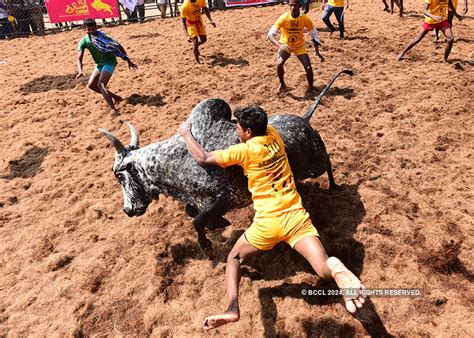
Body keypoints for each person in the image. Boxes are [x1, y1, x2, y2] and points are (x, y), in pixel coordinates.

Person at [178, 106, 366, 331]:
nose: (236, 130)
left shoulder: (244, 151)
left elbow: (203, 157)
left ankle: (232, 307)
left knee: (234, 258)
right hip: (296, 216)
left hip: (268, 223)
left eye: (237, 127)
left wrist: (185, 134)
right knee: (322, 269)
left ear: (248, 131)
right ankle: (335, 268)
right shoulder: (274, 135)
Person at [76, 19, 137, 115]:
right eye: (89, 29)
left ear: (96, 27)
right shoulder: (83, 41)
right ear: (85, 29)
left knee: (101, 84)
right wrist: (80, 70)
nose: (91, 31)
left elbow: (117, 46)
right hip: (99, 64)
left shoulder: (103, 36)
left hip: (110, 62)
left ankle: (113, 109)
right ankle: (115, 97)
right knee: (91, 85)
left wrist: (128, 60)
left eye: (93, 29)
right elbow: (79, 58)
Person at [267, 0, 324, 95]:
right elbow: (270, 34)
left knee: (308, 67)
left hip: (299, 46)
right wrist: (279, 45)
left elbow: (314, 33)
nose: (293, 8)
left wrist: (317, 51)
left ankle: (310, 87)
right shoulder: (284, 17)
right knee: (279, 64)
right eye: (291, 5)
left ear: (300, 6)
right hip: (285, 45)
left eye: (295, 5)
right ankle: (282, 85)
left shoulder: (305, 18)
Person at [397, 0, 462, 62]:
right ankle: (402, 53)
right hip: (431, 21)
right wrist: (434, 17)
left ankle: (445, 59)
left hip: (442, 20)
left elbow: (450, 5)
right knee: (418, 38)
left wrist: (456, 14)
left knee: (450, 39)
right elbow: (424, 10)